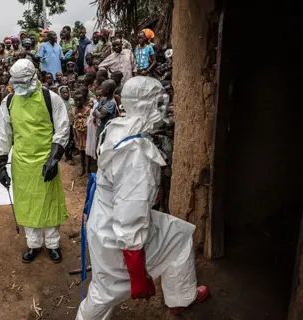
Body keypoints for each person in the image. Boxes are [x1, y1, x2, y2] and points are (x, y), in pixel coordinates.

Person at [76, 77, 209, 319]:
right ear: (147, 106)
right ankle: (180, 297)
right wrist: (138, 275)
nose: (165, 111)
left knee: (177, 234)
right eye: (159, 104)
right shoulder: (137, 155)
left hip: (103, 220)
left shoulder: (118, 127)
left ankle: (181, 296)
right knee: (105, 292)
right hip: (117, 234)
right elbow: (131, 216)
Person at [0, 59, 69, 263]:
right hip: (22, 162)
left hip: (46, 158)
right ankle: (34, 243)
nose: (19, 87)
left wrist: (54, 159)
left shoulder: (50, 98)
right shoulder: (9, 102)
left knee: (50, 202)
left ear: (34, 78)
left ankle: (52, 244)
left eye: (23, 82)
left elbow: (62, 129)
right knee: (27, 203)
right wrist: (1, 166)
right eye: (15, 82)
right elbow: (3, 134)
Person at [72, 86, 92, 175]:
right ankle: (82, 168)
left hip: (86, 135)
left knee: (87, 153)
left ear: (84, 100)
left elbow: (91, 124)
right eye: (76, 100)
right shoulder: (73, 110)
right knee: (81, 152)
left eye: (80, 100)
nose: (78, 102)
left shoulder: (88, 110)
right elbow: (74, 125)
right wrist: (74, 135)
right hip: (79, 135)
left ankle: (88, 169)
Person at [59, 85, 75, 166]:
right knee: (67, 140)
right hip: (65, 125)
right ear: (60, 93)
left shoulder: (72, 101)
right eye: (63, 93)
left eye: (66, 92)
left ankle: (72, 152)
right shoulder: (59, 102)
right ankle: (68, 157)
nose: (65, 94)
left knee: (73, 139)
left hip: (74, 123)